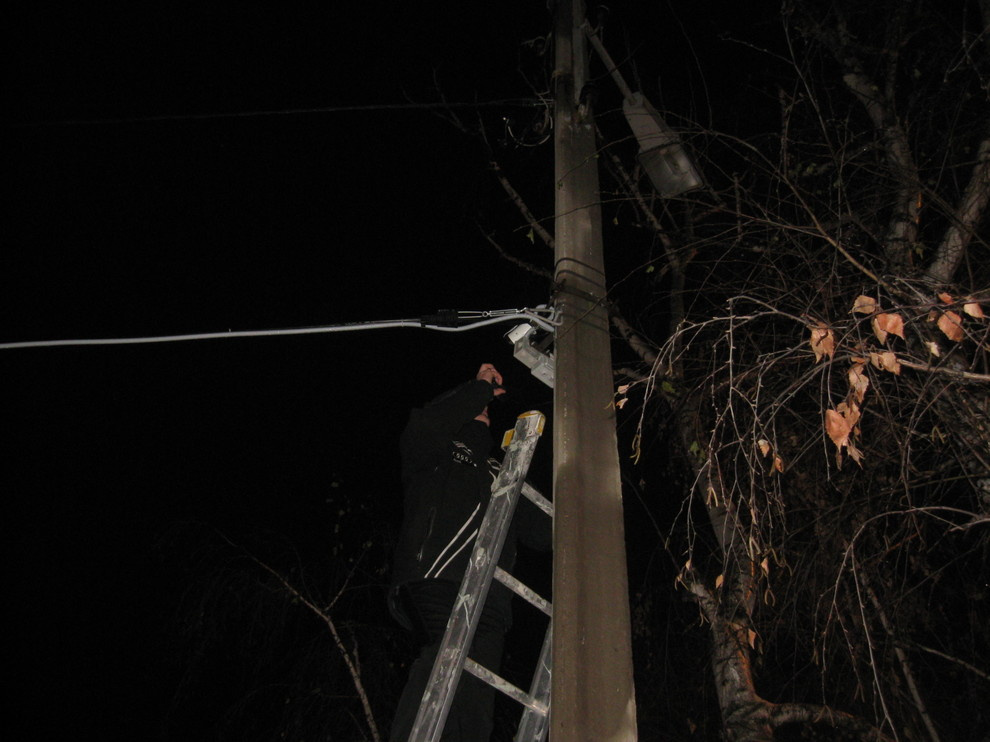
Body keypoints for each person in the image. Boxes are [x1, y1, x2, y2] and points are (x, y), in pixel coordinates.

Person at [388, 363, 551, 742]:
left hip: (490, 599)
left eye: (485, 408)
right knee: (444, 659)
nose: (484, 410)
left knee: (476, 701)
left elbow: (540, 534)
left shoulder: (502, 471)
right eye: (474, 406)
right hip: (437, 575)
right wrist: (476, 389)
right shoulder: (432, 450)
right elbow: (428, 421)